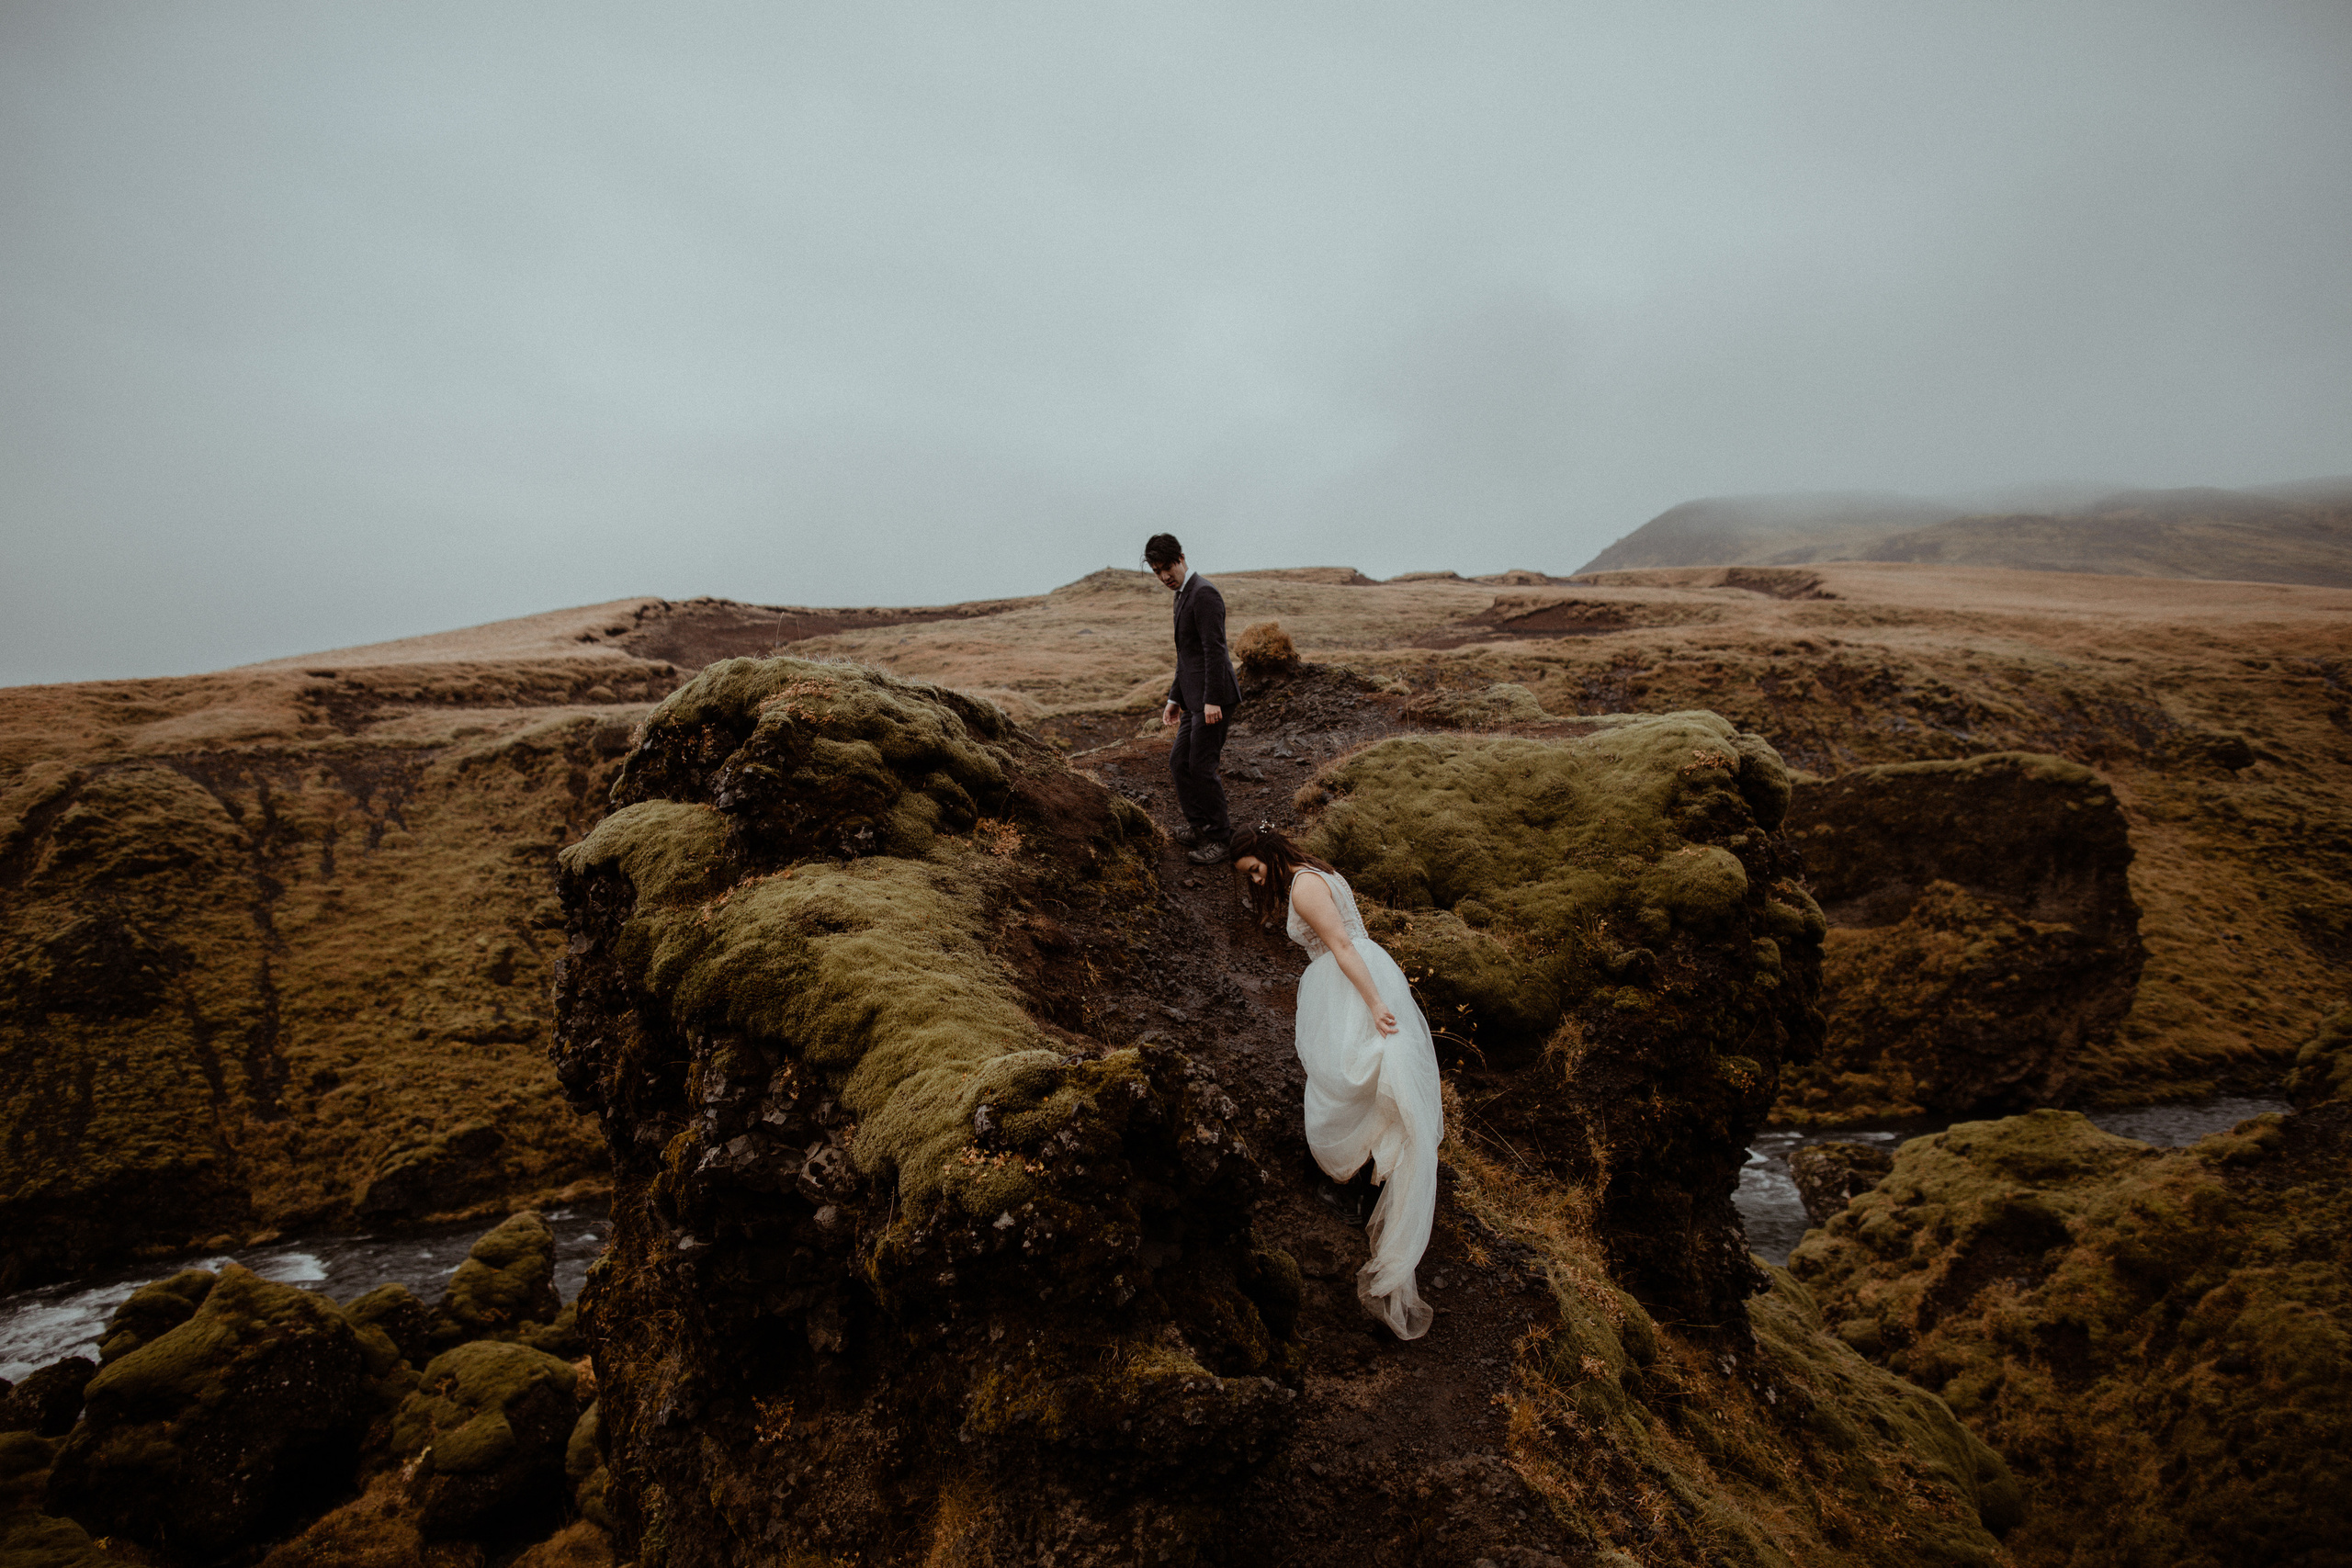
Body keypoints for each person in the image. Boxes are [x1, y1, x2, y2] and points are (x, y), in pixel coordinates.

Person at [1227, 823, 1442, 1340]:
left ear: (1266, 852)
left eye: (1254, 870)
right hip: (1360, 973)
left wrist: (1374, 1005)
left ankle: (1355, 1190)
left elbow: (1341, 945)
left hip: (1350, 983)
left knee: (1348, 1083)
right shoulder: (1316, 871)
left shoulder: (1303, 885)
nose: (1256, 881)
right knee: (1361, 1082)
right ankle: (1362, 1185)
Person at [1145, 534, 1243, 865]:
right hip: (1192, 698)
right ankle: (1199, 826)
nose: (1164, 577)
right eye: (1157, 572)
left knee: (1201, 766)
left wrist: (1212, 699)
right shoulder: (1181, 596)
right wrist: (1175, 697)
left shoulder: (1204, 594)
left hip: (1214, 698)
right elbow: (1187, 655)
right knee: (1179, 762)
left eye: (1167, 568)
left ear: (1182, 558)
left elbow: (1215, 650)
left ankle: (1221, 838)